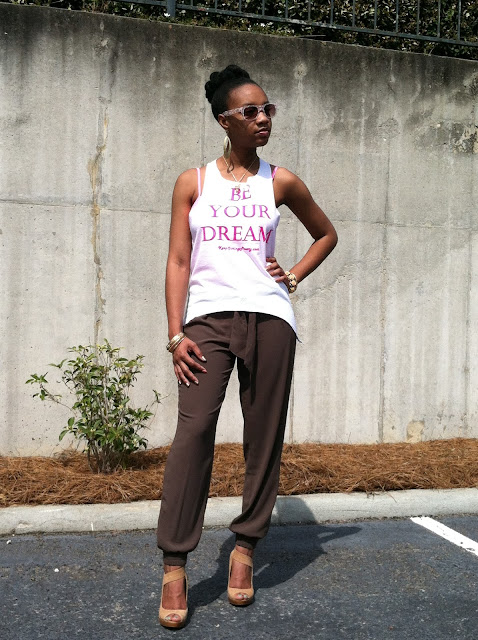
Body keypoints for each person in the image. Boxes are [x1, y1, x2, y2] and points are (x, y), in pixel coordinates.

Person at [156, 64, 338, 629]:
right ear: (224, 120)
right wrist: (176, 333)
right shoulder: (193, 182)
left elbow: (326, 233)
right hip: (207, 321)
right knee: (194, 433)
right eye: (251, 111)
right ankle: (174, 563)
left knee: (264, 437)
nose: (264, 119)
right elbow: (179, 261)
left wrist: (294, 275)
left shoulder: (280, 182)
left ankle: (244, 549)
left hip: (270, 318)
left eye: (268, 109)